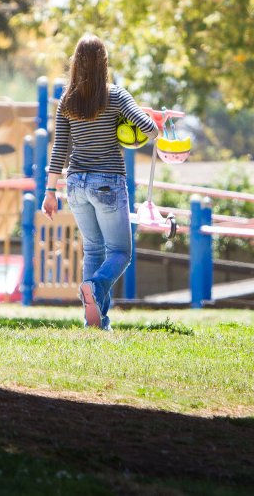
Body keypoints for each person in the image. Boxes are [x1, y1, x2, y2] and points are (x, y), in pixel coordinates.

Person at [41, 34, 158, 330]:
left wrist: (50, 191)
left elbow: (59, 150)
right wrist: (152, 120)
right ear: (103, 64)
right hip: (108, 182)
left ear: (76, 64)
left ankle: (95, 321)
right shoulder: (115, 95)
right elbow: (148, 128)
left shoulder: (67, 101)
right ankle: (94, 287)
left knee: (93, 250)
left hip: (75, 183)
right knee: (120, 252)